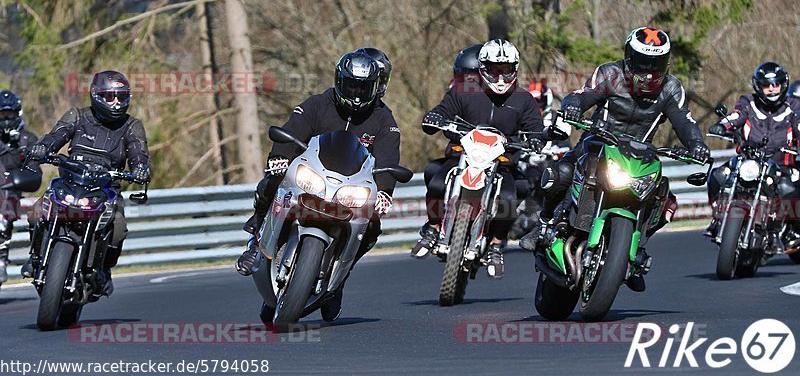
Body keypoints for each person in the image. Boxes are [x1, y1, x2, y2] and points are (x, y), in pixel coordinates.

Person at [522, 27, 710, 291]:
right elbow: (583, 95)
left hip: (639, 155)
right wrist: (574, 106)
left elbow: (684, 121)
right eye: (643, 62)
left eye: (655, 64)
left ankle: (632, 252)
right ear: (629, 57)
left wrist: (697, 144)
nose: (648, 71)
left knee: (665, 200)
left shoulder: (671, 88)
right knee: (560, 173)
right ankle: (544, 224)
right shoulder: (610, 74)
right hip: (598, 143)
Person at [235, 51, 401, 322]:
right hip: (312, 177)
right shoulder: (318, 104)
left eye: (363, 87)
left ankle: (340, 278)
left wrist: (384, 191)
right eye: (352, 85)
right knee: (273, 180)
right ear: (339, 81)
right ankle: (255, 238)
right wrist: (279, 157)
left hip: (349, 191)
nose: (357, 92)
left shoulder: (384, 120)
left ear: (375, 88)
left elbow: (388, 159)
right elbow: (293, 131)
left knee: (372, 228)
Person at [411, 39, 550, 279]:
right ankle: (433, 229)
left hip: (502, 165)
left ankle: (496, 245)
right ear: (482, 68)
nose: (500, 77)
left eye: (506, 70)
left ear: (515, 69)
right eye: (495, 70)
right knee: (435, 181)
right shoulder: (463, 91)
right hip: (461, 157)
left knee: (509, 197)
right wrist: (434, 117)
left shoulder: (523, 99)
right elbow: (442, 110)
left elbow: (534, 126)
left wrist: (537, 138)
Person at [22, 71, 151, 295]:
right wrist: (43, 148)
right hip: (71, 181)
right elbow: (57, 135)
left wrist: (141, 169)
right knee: (36, 212)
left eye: (121, 97)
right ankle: (34, 258)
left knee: (118, 227)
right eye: (110, 96)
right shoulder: (77, 116)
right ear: (95, 94)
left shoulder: (132, 125)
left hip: (106, 189)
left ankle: (103, 270)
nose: (116, 102)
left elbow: (139, 153)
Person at [705, 62, 800, 248]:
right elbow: (736, 115)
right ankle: (717, 217)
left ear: (783, 85)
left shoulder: (794, 106)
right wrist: (723, 125)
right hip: (749, 160)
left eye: (775, 84)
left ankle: (789, 231)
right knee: (718, 176)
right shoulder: (748, 102)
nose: (771, 89)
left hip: (781, 164)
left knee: (791, 188)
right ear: (758, 86)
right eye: (766, 85)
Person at [0, 90, 41, 283]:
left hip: (12, 196)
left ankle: (3, 257)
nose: (6, 118)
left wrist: (18, 179)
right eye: (2, 114)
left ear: (18, 113)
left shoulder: (27, 139)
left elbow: (34, 171)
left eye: (10, 114)